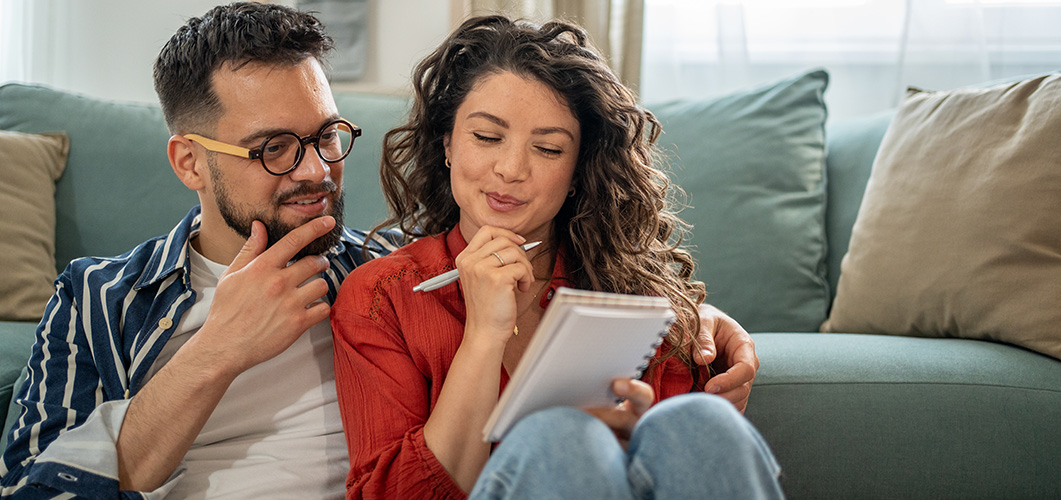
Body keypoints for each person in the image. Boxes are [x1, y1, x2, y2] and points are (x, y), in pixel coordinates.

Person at [0, 3, 761, 499]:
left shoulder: (377, 267)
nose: (313, 169)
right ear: (189, 161)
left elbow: (523, 259)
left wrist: (698, 316)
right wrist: (217, 350)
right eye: (272, 148)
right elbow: (35, 489)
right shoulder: (100, 296)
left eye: (326, 137)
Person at [330, 15, 784, 500]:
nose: (510, 169)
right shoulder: (382, 297)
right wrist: (483, 335)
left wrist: (628, 443)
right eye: (486, 137)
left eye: (547, 149)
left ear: (576, 171)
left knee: (699, 421)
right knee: (562, 438)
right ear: (447, 144)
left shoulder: (626, 291)